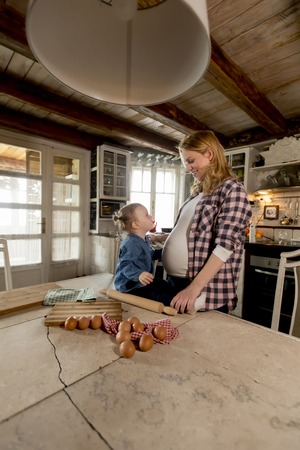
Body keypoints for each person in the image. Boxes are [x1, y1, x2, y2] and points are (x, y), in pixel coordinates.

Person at [162, 130, 252, 314]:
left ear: (209, 154)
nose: (187, 168)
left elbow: (225, 246)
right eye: (185, 162)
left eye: (191, 161)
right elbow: (191, 233)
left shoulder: (232, 189)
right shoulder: (197, 193)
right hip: (176, 283)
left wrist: (194, 288)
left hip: (202, 290)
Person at [113, 203, 178, 305]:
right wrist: (139, 274)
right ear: (136, 224)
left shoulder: (144, 238)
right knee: (156, 296)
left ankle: (181, 298)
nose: (151, 216)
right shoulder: (131, 243)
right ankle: (177, 303)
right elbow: (126, 265)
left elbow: (149, 254)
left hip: (142, 281)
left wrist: (164, 251)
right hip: (130, 285)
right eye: (147, 215)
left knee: (163, 283)